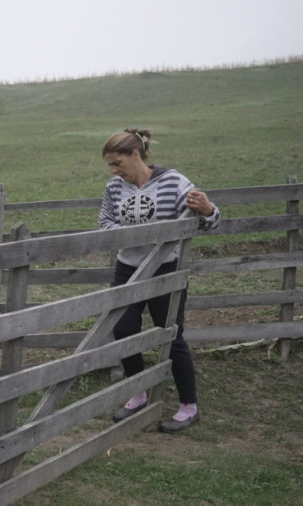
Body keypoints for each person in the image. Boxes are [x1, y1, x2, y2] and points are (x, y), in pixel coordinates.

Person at [99, 128, 220, 433]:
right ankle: (138, 393)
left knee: (170, 334)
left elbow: (209, 220)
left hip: (166, 269)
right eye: (110, 165)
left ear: (135, 154)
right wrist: (140, 236)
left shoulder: (173, 182)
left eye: (118, 163)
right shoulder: (114, 188)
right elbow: (105, 224)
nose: (114, 171)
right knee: (124, 330)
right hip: (127, 269)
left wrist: (207, 209)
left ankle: (189, 406)